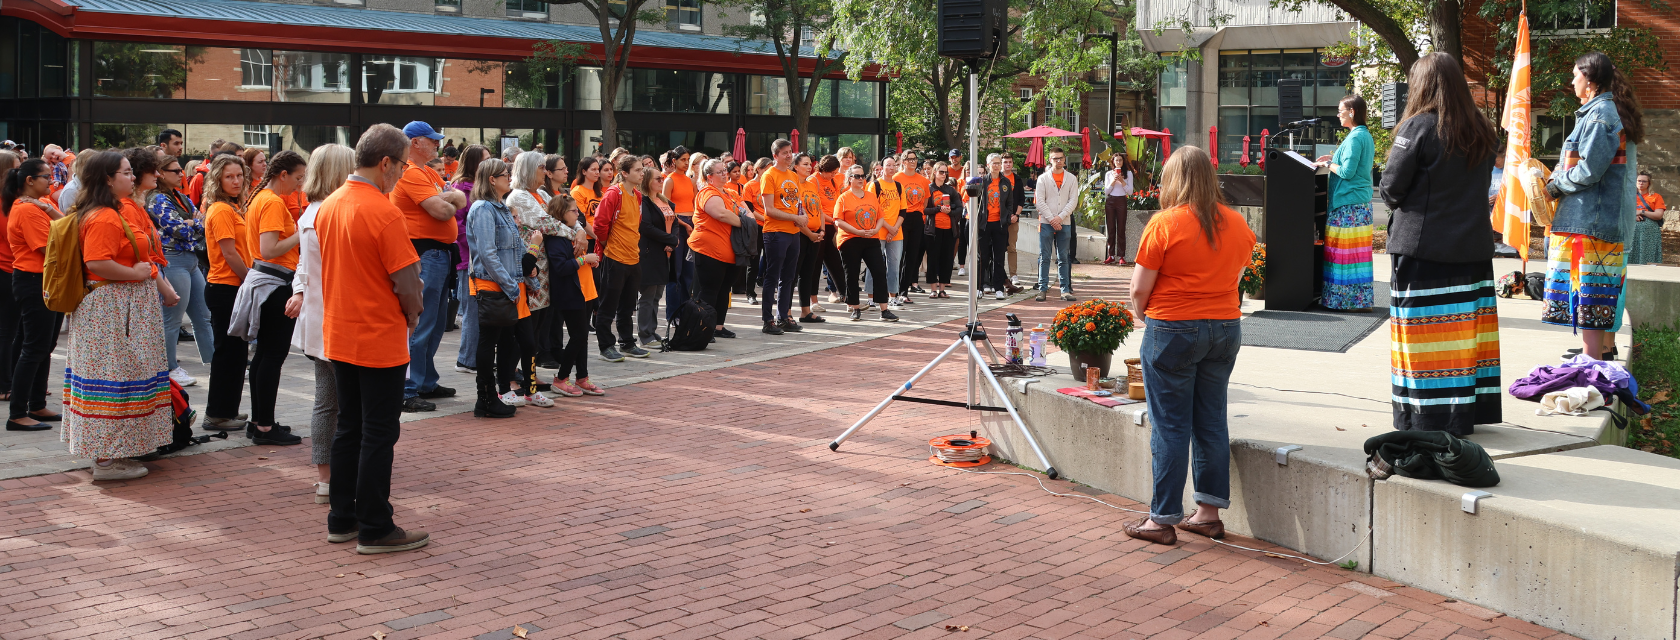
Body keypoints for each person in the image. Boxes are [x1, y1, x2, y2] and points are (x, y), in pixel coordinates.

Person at [1121, 145, 1254, 545]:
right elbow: (1238, 276)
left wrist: (1143, 315)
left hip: (1174, 328)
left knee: (1170, 425)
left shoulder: (1164, 223)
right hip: (1225, 327)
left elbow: (1138, 288)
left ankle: (1161, 519)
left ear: (1172, 180)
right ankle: (1208, 513)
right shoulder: (1237, 222)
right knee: (1211, 419)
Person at [316, 123, 429, 555]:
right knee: (379, 432)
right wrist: (412, 315)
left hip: (341, 330)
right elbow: (407, 282)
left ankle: (342, 517)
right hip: (378, 334)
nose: (402, 173)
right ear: (385, 163)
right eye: (401, 165)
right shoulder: (383, 211)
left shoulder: (331, 204)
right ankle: (376, 525)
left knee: (350, 427)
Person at [1380, 52, 1503, 434]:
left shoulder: (1416, 127)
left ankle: (1425, 416)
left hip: (1422, 251)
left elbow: (1390, 189)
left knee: (1422, 337)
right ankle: (1461, 415)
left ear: (1422, 85)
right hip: (1471, 250)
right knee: (1465, 334)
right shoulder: (1484, 129)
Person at [62, 151, 181, 481]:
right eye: (126, 173)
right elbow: (97, 264)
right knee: (113, 378)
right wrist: (137, 273)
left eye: (131, 173)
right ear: (108, 179)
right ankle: (105, 461)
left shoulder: (111, 211)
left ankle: (113, 453)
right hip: (111, 310)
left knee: (121, 377)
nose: (132, 177)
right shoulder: (104, 216)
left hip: (119, 308)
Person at [1540, 51, 1643, 363]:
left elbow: (1589, 170)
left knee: (1593, 297)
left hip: (1592, 223)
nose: (1572, 81)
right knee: (1589, 299)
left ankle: (1593, 364)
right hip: (1588, 221)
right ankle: (1593, 360)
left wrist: (1555, 185)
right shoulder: (1598, 113)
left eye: (1575, 75)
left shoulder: (1600, 117)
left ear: (1591, 79)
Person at [286, 142, 355, 506]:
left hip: (322, 317)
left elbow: (304, 267)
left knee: (328, 400)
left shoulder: (312, 212)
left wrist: (299, 290)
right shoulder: (327, 213)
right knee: (337, 401)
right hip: (336, 319)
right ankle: (333, 476)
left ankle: (328, 476)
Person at [391, 121, 468, 412]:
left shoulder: (424, 172)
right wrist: (446, 199)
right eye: (431, 140)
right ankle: (408, 388)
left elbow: (457, 198)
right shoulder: (412, 173)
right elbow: (443, 208)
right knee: (422, 324)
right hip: (426, 254)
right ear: (414, 143)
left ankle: (424, 381)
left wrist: (446, 198)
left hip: (438, 254)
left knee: (434, 324)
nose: (438, 144)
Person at [236, 150, 308, 445]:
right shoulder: (272, 201)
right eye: (298, 178)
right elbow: (270, 248)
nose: (300, 185)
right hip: (275, 282)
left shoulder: (259, 197)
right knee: (271, 357)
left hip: (267, 280)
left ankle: (260, 421)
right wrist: (303, 232)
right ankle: (264, 425)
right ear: (283, 175)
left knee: (265, 356)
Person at [6, 158, 64, 431]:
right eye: (46, 178)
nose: (50, 183)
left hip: (48, 280)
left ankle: (37, 404)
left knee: (45, 346)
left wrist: (46, 208)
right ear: (29, 180)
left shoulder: (42, 204)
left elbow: (69, 227)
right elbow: (50, 248)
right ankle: (17, 413)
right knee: (34, 348)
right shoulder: (25, 210)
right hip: (33, 280)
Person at [463, 158, 524, 418]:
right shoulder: (483, 209)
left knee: (504, 340)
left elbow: (517, 247)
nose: (509, 177)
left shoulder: (500, 207)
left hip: (505, 284)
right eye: (504, 173)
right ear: (491, 179)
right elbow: (487, 254)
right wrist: (511, 285)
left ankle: (490, 397)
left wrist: (526, 276)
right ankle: (485, 399)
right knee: (489, 341)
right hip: (491, 284)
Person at [150, 155, 216, 387]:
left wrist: (193, 223)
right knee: (173, 319)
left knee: (203, 315)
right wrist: (193, 223)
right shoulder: (157, 198)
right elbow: (179, 229)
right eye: (175, 170)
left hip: (189, 259)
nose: (181, 174)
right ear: (161, 173)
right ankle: (169, 368)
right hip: (173, 259)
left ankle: (214, 360)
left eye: (180, 170)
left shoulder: (178, 196)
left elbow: (202, 221)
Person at [200, 154, 255, 432]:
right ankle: (217, 414)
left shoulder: (232, 207)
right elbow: (228, 252)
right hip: (226, 287)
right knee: (227, 354)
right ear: (218, 180)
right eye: (229, 177)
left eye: (239, 175)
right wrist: (250, 280)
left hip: (232, 286)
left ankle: (226, 411)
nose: (236, 181)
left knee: (234, 354)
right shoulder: (221, 209)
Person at [1311, 95, 1377, 311]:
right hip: (1358, 203)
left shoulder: (1356, 137)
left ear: (1352, 112)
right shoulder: (1362, 135)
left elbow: (1348, 172)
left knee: (1342, 255)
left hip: (1348, 204)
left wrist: (1330, 163)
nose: (1338, 115)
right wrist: (1331, 160)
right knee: (1356, 257)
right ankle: (1357, 301)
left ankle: (1342, 302)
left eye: (1341, 110)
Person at [507, 151, 562, 385]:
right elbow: (547, 224)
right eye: (541, 167)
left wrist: (579, 229)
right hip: (529, 271)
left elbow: (562, 216)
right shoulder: (519, 197)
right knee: (525, 328)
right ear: (529, 170)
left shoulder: (539, 193)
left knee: (537, 327)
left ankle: (529, 373)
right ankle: (510, 375)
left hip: (543, 271)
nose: (545, 171)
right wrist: (576, 233)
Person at [591, 154, 651, 362]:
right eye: (637, 170)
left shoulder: (637, 195)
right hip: (614, 257)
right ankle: (606, 345)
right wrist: (608, 245)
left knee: (627, 305)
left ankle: (627, 343)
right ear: (624, 173)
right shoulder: (613, 194)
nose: (642, 173)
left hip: (633, 258)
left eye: (642, 169)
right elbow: (599, 225)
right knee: (607, 305)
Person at [542, 194, 603, 397]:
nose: (578, 215)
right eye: (573, 211)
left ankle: (582, 377)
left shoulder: (573, 232)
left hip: (585, 289)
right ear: (561, 213)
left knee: (582, 336)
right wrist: (585, 259)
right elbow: (560, 267)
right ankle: (561, 378)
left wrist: (588, 260)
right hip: (570, 292)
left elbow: (577, 259)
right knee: (578, 336)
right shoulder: (556, 237)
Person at [691, 159, 747, 337]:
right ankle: (702, 328)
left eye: (724, 170)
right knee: (709, 290)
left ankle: (718, 327)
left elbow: (748, 212)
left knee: (724, 290)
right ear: (709, 176)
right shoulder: (707, 192)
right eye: (720, 171)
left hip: (730, 252)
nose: (725, 173)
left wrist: (745, 220)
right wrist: (744, 223)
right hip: (709, 251)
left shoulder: (731, 193)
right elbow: (721, 214)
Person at [836, 164, 898, 322]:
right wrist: (857, 232)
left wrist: (876, 229)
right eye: (857, 176)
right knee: (852, 273)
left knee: (879, 270)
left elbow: (880, 217)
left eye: (862, 176)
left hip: (871, 238)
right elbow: (838, 221)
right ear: (850, 178)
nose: (861, 179)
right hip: (850, 239)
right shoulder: (843, 197)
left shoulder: (870, 196)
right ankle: (854, 307)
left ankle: (884, 309)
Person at [757, 139, 806, 334]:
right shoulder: (769, 175)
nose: (789, 155)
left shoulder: (793, 176)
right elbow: (769, 210)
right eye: (785, 152)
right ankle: (768, 320)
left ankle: (784, 317)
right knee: (772, 276)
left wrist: (802, 215)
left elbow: (797, 202)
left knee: (789, 277)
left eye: (790, 151)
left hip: (793, 232)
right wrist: (796, 217)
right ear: (775, 156)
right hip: (776, 232)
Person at [451, 144, 491, 374]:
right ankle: (467, 359)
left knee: (478, 310)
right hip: (469, 260)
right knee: (472, 310)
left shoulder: (480, 188)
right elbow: (459, 229)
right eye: (485, 159)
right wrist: (480, 244)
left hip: (480, 259)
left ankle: (474, 356)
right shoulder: (461, 189)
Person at [799, 155, 846, 322]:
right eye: (831, 172)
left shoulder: (833, 181)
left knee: (835, 262)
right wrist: (828, 223)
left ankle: (847, 296)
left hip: (830, 226)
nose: (834, 175)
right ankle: (813, 301)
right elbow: (815, 207)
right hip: (819, 225)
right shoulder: (813, 180)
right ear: (824, 169)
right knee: (815, 266)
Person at [1033, 148, 1080, 302]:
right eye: (1055, 158)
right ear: (1050, 160)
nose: (1058, 161)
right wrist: (1052, 218)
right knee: (1045, 256)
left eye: (1061, 158)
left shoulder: (1071, 178)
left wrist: (1060, 217)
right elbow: (1040, 201)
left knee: (1064, 257)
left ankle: (1065, 290)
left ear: (1064, 159)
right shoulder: (1043, 179)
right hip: (1046, 222)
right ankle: (1042, 289)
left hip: (1064, 222)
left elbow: (1073, 201)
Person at [971, 153, 1015, 300]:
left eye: (998, 163)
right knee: (982, 257)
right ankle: (979, 287)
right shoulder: (982, 181)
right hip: (984, 224)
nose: (996, 165)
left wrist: (1007, 218)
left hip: (1000, 224)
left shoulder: (1005, 182)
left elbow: (1010, 203)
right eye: (993, 163)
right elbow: (974, 200)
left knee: (999, 257)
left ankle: (998, 288)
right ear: (988, 165)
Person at [865, 158, 905, 309]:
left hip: (896, 233)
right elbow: (872, 209)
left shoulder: (899, 186)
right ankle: (870, 297)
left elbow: (903, 211)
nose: (891, 168)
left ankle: (892, 296)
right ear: (881, 167)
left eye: (894, 165)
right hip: (878, 232)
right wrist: (889, 227)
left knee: (894, 266)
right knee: (873, 265)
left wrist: (894, 229)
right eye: (888, 165)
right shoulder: (874, 186)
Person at [895, 151, 931, 297]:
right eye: (909, 159)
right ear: (903, 161)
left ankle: (904, 291)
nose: (912, 162)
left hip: (917, 218)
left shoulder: (923, 180)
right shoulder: (896, 178)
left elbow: (926, 200)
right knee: (899, 255)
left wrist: (920, 213)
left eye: (914, 159)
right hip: (901, 218)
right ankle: (894, 290)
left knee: (912, 256)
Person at [925, 161, 962, 298]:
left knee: (947, 260)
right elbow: (924, 209)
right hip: (933, 230)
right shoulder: (929, 188)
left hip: (949, 230)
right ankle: (933, 290)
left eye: (945, 172)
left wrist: (949, 210)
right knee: (933, 259)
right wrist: (938, 209)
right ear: (935, 172)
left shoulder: (950, 190)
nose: (944, 174)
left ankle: (942, 289)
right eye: (941, 171)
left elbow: (959, 208)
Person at [1102, 153, 1136, 265]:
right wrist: (1113, 181)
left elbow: (1130, 191)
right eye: (1116, 160)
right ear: (1113, 162)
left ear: (1123, 161)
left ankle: (1121, 255)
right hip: (1110, 201)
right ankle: (1110, 255)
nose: (1118, 162)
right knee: (1111, 228)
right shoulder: (1108, 174)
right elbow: (1106, 191)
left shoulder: (1128, 173)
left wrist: (1122, 181)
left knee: (1121, 229)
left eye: (1120, 160)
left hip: (1121, 200)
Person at [1628, 170, 1665, 265]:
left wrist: (1642, 212)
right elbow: (1622, 213)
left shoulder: (1656, 197)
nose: (1641, 183)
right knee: (1630, 253)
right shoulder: (1629, 196)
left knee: (1648, 255)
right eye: (1639, 180)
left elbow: (1658, 215)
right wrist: (1633, 216)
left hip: (1650, 233)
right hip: (1630, 231)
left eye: (1644, 181)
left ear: (1649, 183)